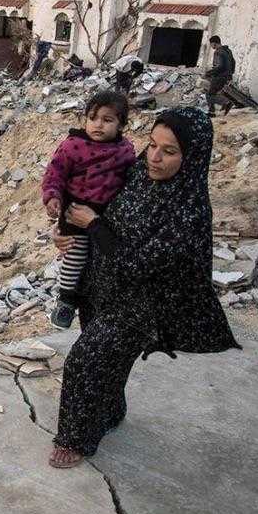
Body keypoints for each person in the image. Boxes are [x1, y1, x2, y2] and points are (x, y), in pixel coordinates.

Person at [47, 107, 240, 469]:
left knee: (85, 361)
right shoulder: (137, 173)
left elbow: (140, 263)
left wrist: (92, 225)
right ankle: (111, 412)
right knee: (110, 362)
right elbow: (93, 196)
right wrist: (66, 225)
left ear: (192, 157)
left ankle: (75, 439)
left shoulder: (188, 209)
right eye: (152, 145)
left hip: (140, 305)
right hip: (101, 286)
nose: (154, 157)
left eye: (169, 152)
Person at [41, 90, 137, 330]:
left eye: (107, 120)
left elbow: (132, 180)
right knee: (75, 254)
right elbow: (54, 174)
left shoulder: (125, 151)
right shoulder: (73, 146)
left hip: (106, 216)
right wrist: (52, 197)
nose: (98, 125)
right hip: (75, 208)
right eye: (93, 118)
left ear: (121, 124)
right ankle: (66, 300)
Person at [204, 36, 235, 116]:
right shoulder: (228, 50)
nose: (211, 46)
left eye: (211, 44)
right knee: (212, 93)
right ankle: (212, 111)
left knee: (209, 94)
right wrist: (230, 74)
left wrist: (208, 73)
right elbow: (233, 62)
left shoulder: (218, 52)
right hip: (226, 76)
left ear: (214, 43)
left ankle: (226, 103)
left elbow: (219, 66)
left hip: (219, 76)